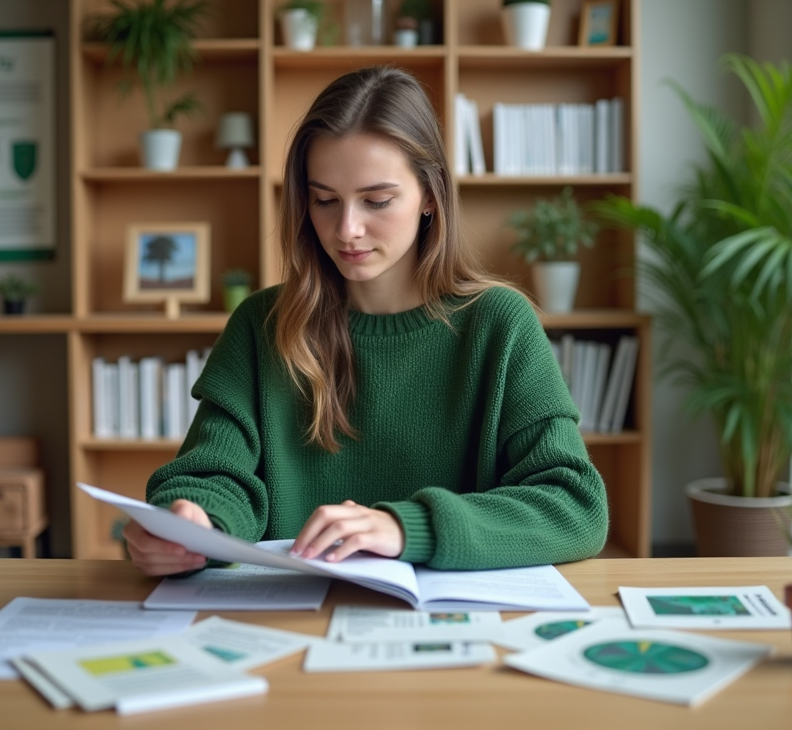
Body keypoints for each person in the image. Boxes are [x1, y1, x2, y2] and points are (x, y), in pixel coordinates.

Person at [124, 66, 607, 576]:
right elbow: (209, 475)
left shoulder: (499, 326)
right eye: (324, 200)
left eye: (377, 200)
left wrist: (406, 528)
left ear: (430, 196)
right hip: (288, 627)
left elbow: (574, 506)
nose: (347, 229)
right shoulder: (260, 325)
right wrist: (194, 524)